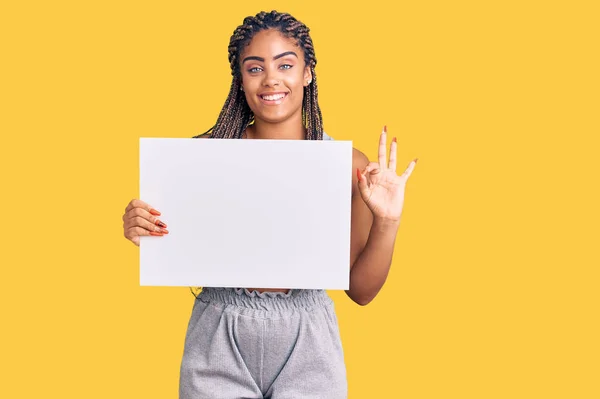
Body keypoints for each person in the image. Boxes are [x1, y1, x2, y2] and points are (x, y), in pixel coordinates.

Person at [122, 10, 417, 399]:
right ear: (240, 79)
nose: (271, 78)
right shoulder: (202, 157)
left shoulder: (349, 167)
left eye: (285, 64)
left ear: (307, 73)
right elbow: (172, 239)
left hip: (307, 337)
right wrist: (142, 226)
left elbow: (360, 291)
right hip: (219, 334)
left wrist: (388, 221)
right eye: (255, 67)